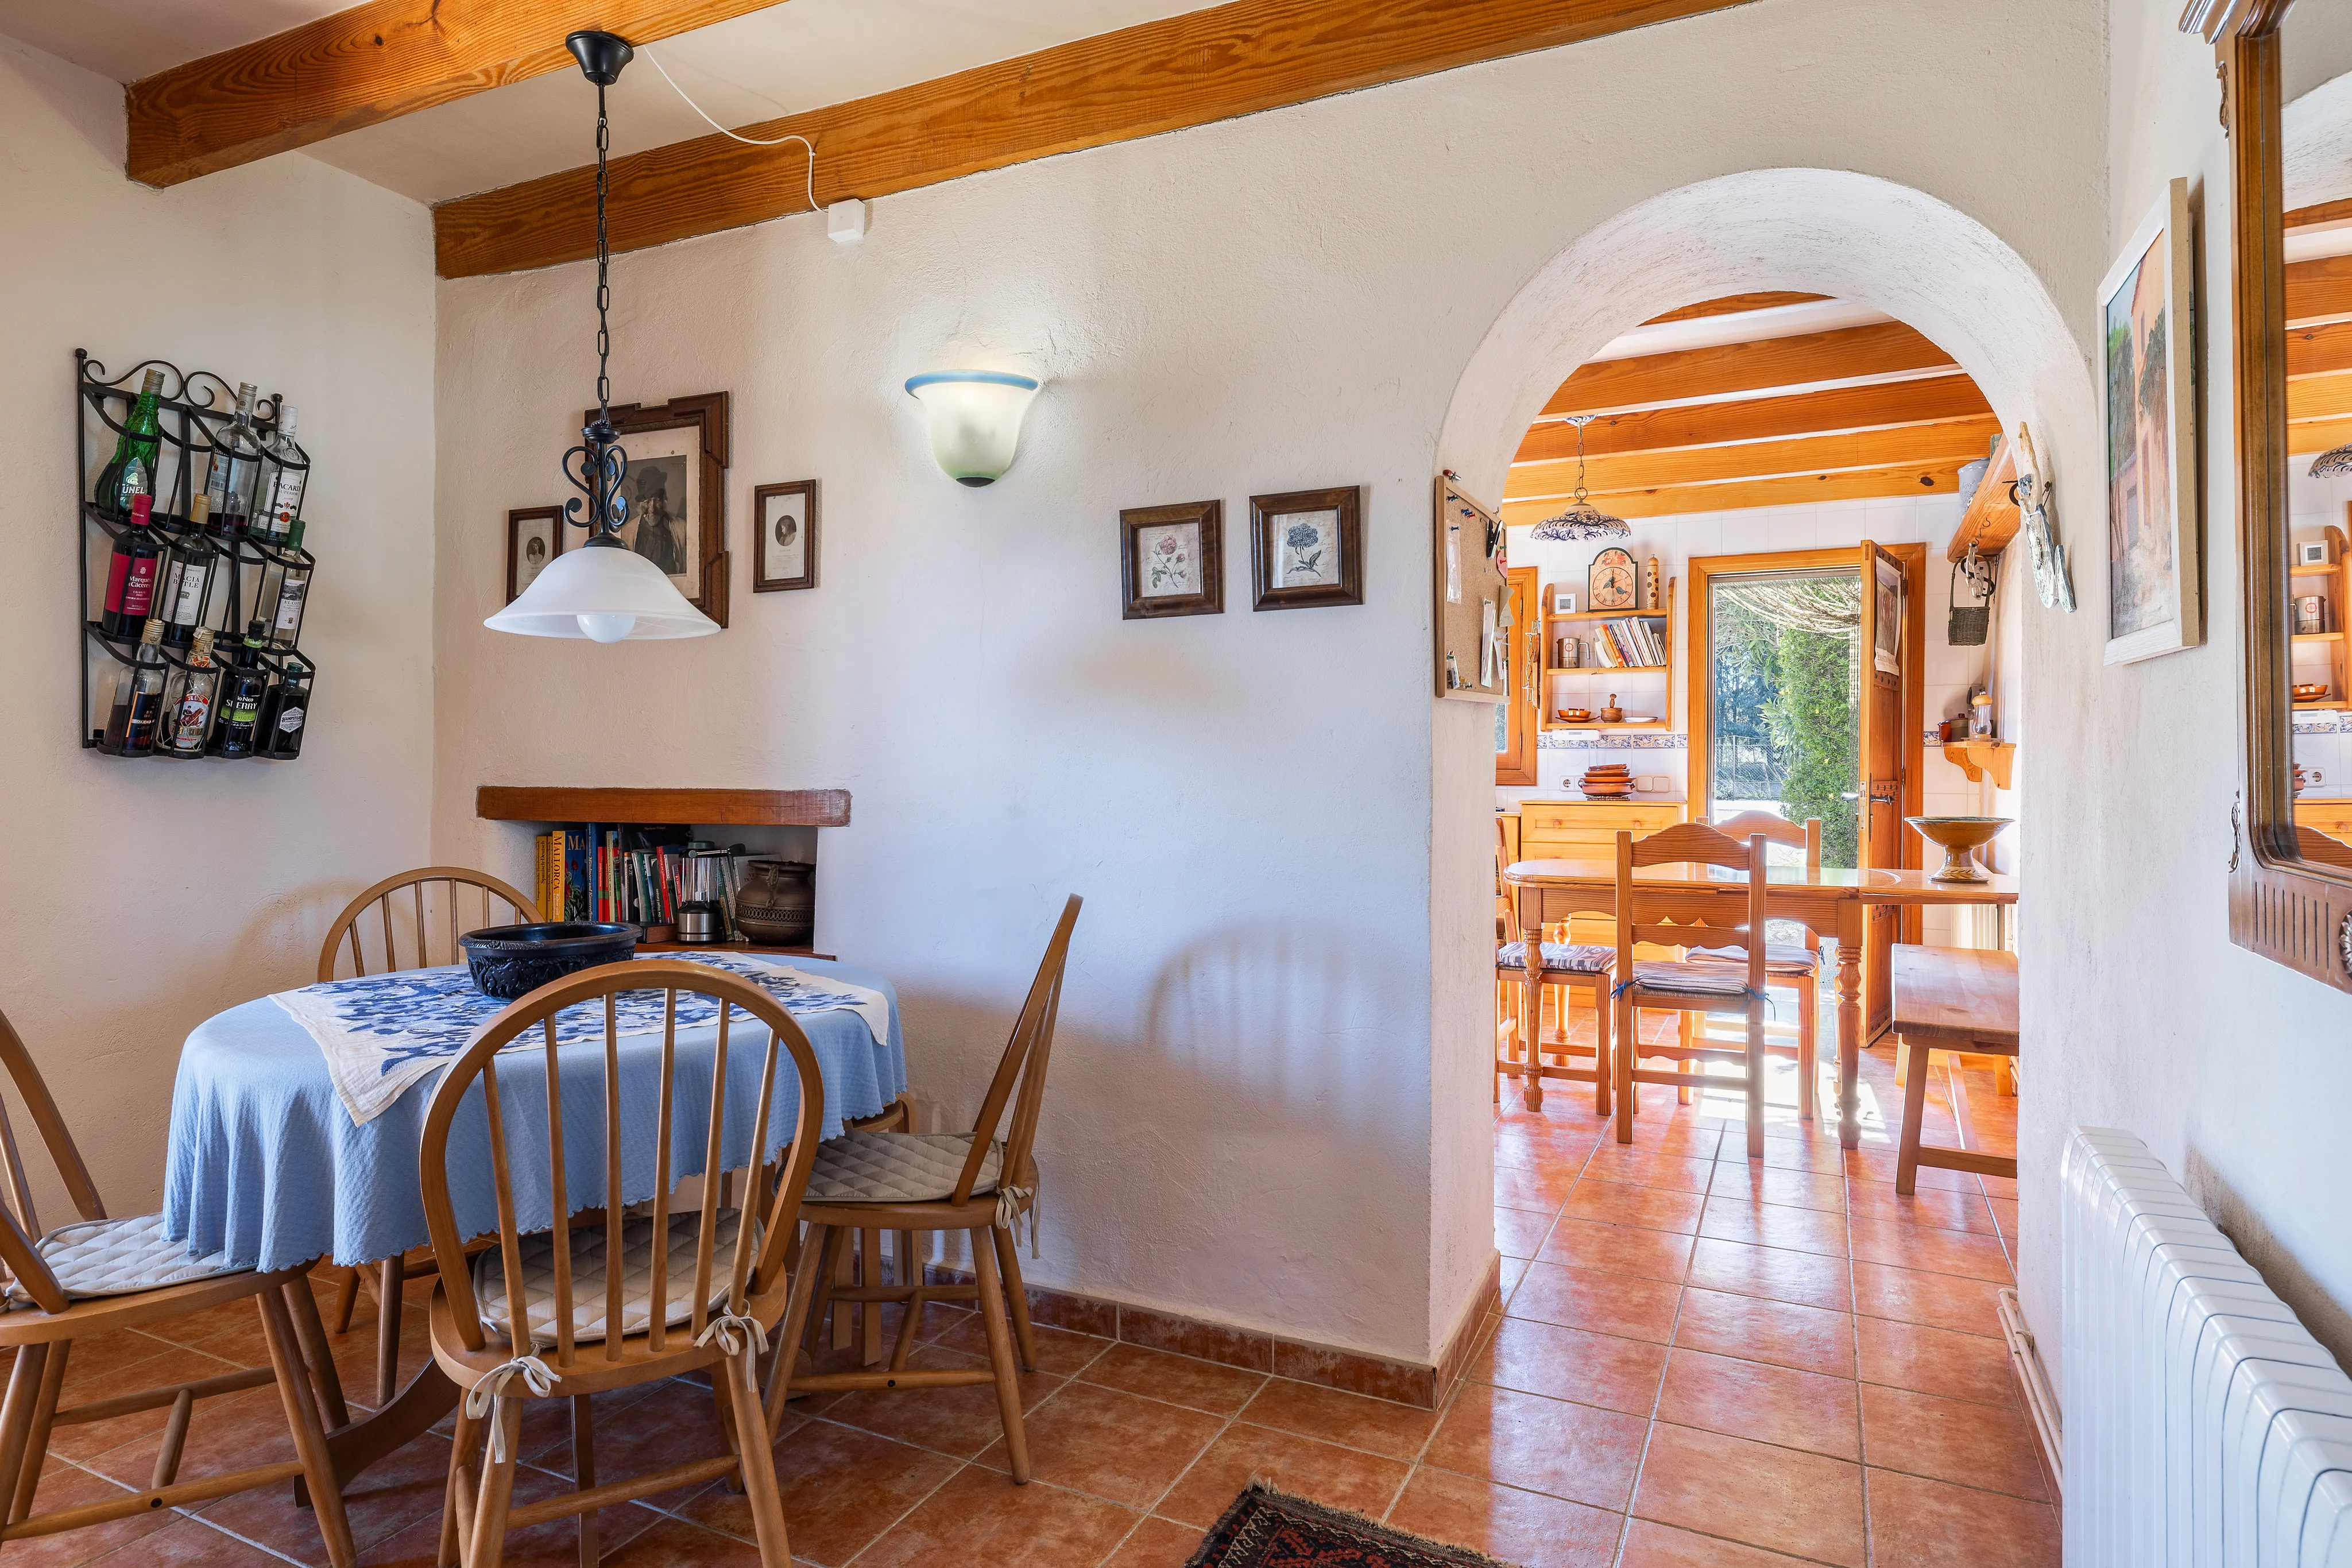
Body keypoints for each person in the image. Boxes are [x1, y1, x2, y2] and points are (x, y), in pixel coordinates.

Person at [631, 466, 685, 575]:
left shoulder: (682, 529)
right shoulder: (629, 532)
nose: (652, 509)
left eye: (657, 501)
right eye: (647, 502)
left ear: (664, 501)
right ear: (641, 505)